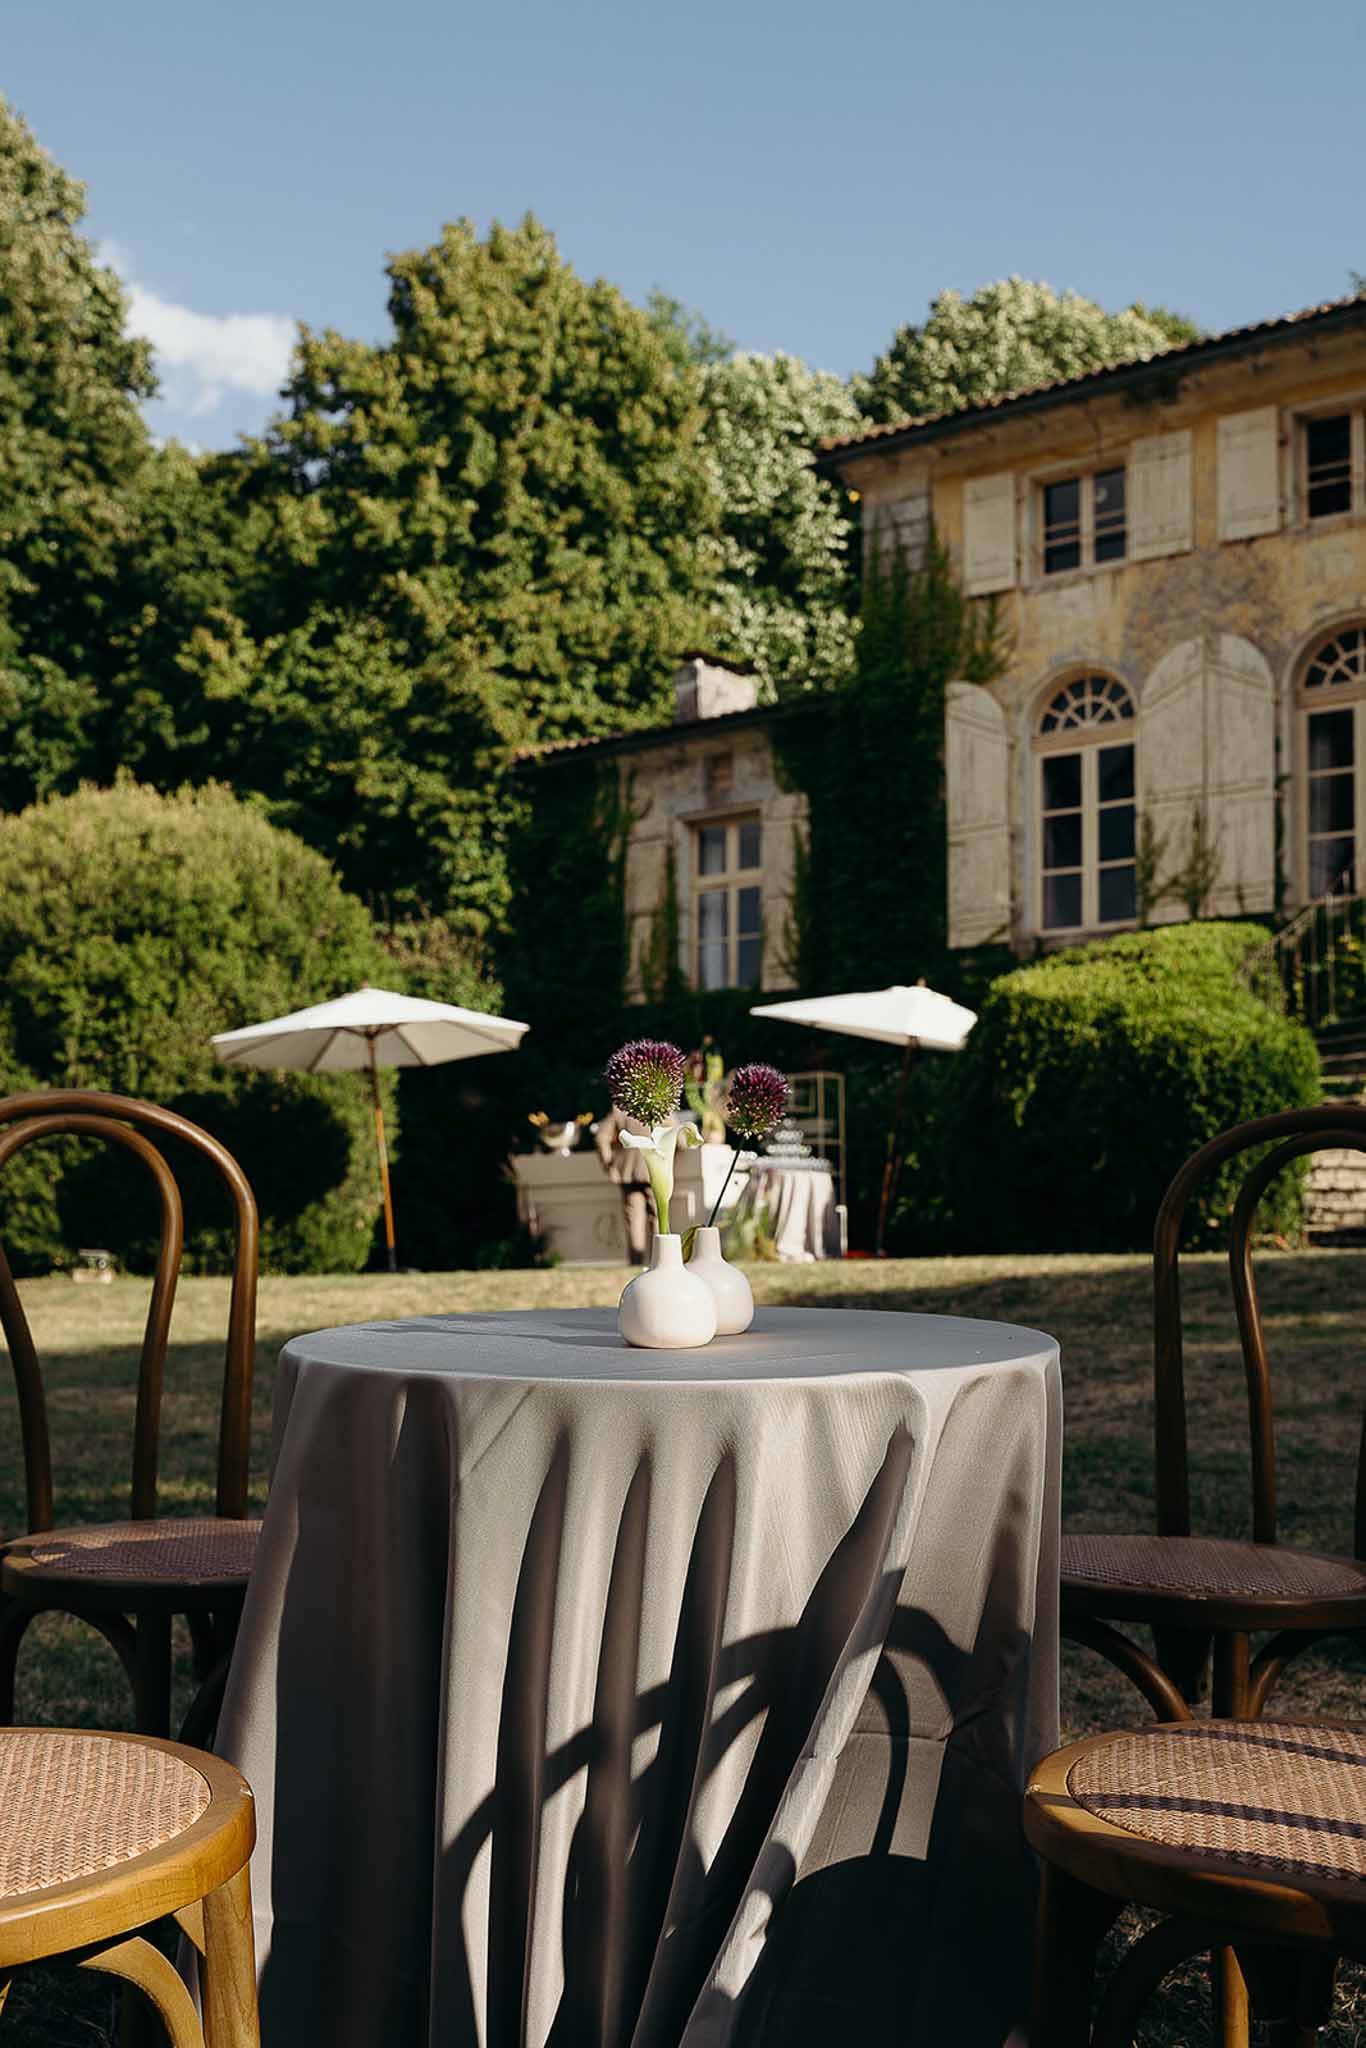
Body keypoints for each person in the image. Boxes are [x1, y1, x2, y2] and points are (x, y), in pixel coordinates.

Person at [593, 1107, 653, 1262]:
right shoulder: (660, 1108)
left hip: (628, 1172)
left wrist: (609, 1164)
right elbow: (680, 1140)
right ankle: (659, 1260)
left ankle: (636, 1261)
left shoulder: (620, 1112)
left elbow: (601, 1137)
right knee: (658, 1216)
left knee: (634, 1219)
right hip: (653, 1169)